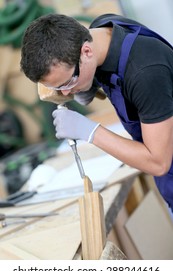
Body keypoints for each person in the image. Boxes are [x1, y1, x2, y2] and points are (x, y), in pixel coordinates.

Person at [20, 13, 173, 212]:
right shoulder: (99, 31)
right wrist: (86, 83)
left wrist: (91, 132)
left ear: (86, 51)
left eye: (66, 83)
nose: (65, 93)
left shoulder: (145, 73)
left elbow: (157, 162)